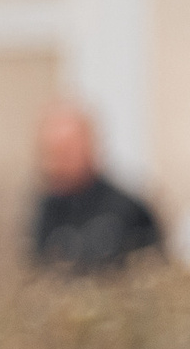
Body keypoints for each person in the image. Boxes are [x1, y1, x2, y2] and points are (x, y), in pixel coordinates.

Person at [32, 102, 164, 275]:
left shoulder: (128, 210)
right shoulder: (45, 211)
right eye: (51, 153)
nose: (57, 163)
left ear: (90, 146)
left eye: (67, 150)